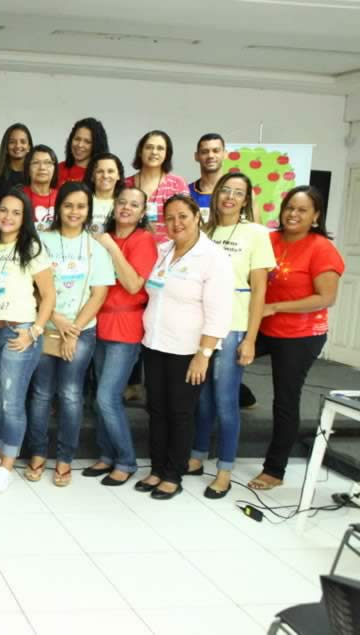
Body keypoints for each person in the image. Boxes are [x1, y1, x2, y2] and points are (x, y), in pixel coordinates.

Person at [137, 195, 233, 500]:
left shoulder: (213, 257)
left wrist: (203, 355)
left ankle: (173, 474)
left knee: (179, 412)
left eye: (183, 217)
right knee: (156, 409)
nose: (176, 223)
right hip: (155, 343)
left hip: (188, 350)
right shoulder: (163, 251)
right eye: (170, 218)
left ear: (197, 217)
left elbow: (219, 312)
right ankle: (156, 468)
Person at [249, 187, 344, 491]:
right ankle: (242, 397)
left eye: (302, 210)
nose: (293, 214)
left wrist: (275, 307)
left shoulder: (321, 248)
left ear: (316, 216)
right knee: (224, 362)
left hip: (300, 335)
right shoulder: (269, 240)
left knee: (285, 400)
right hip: (264, 325)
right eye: (290, 207)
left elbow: (326, 297)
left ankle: (275, 470)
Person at [188, 172, 275, 498]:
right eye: (225, 190)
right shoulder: (204, 230)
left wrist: (250, 338)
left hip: (234, 324)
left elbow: (259, 292)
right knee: (203, 399)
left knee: (225, 401)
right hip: (202, 324)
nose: (229, 197)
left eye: (238, 193)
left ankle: (225, 469)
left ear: (246, 199)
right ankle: (196, 456)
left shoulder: (256, 234)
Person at [26, 183, 114, 487]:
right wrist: (55, 319)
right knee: (40, 394)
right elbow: (32, 287)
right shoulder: (41, 240)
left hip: (81, 332)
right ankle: (37, 454)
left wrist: (73, 330)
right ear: (58, 208)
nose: (74, 212)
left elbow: (99, 294)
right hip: (44, 328)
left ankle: (64, 459)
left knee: (71, 395)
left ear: (88, 210)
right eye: (68, 206)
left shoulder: (96, 246)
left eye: (81, 206)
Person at [0, 189, 55, 493]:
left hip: (19, 333)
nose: (8, 217)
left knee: (11, 402)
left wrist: (35, 330)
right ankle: (0, 458)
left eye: (16, 212)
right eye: (3, 210)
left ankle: (8, 466)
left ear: (24, 218)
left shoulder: (32, 247)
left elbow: (48, 295)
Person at [84, 187, 156, 486]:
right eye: (122, 202)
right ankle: (107, 454)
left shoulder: (144, 240)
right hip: (99, 321)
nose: (127, 207)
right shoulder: (101, 235)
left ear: (142, 213)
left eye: (134, 205)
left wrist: (111, 246)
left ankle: (126, 460)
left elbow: (131, 284)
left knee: (107, 397)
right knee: (101, 392)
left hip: (126, 325)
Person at [126, 130, 189, 243]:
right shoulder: (125, 185)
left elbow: (186, 221)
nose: (154, 152)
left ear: (167, 154)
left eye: (160, 148)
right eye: (149, 147)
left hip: (168, 253)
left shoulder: (177, 184)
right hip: (132, 249)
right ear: (140, 152)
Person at [58, 117, 109, 185]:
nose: (80, 145)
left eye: (87, 142)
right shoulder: (58, 169)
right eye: (77, 139)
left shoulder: (101, 174)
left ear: (97, 145)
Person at [188, 133, 227, 223]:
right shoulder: (186, 193)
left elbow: (256, 231)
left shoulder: (240, 193)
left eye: (216, 151)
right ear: (196, 156)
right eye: (205, 152)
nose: (210, 156)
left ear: (225, 154)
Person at [23, 144, 60, 232]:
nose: (42, 167)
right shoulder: (18, 196)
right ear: (27, 168)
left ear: (55, 168)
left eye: (48, 163)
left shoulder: (62, 196)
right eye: (36, 162)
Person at [85, 153, 124, 235]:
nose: (105, 176)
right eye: (100, 171)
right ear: (92, 176)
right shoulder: (83, 201)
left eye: (110, 171)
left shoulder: (125, 204)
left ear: (118, 175)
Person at [0, 123, 33, 191]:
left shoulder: (35, 174)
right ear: (6, 146)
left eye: (23, 142)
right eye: (12, 142)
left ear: (29, 147)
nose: (18, 146)